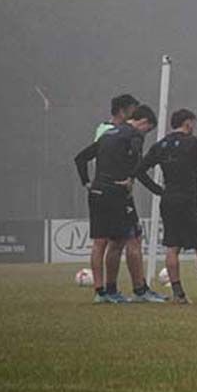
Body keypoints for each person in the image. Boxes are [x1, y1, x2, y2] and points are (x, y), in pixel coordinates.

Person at [74, 104, 166, 303]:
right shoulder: (134, 135)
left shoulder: (107, 134)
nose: (146, 133)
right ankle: (140, 291)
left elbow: (80, 158)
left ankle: (103, 292)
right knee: (132, 239)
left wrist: (87, 183)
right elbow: (138, 165)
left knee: (103, 242)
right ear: (143, 122)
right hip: (117, 193)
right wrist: (151, 187)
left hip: (97, 192)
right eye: (148, 129)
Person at [137, 108, 197, 304]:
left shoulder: (161, 145)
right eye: (193, 123)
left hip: (169, 200)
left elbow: (139, 170)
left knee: (172, 247)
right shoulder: (193, 143)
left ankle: (178, 294)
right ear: (188, 122)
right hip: (188, 200)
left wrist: (159, 190)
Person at [86, 93, 140, 301]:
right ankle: (103, 290)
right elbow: (94, 156)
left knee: (121, 239)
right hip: (109, 190)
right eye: (133, 110)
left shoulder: (120, 131)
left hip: (112, 189)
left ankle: (110, 290)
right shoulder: (108, 131)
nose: (135, 115)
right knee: (106, 241)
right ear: (122, 111)